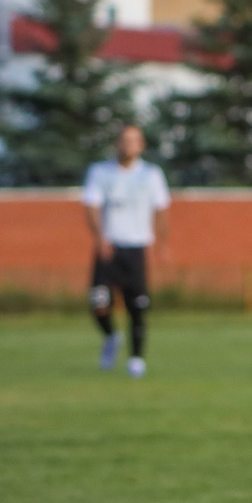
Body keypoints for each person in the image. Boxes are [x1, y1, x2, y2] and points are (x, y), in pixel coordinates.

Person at [84, 122, 169, 378]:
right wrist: (99, 238)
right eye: (125, 140)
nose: (129, 145)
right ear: (117, 143)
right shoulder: (100, 172)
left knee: (137, 306)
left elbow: (161, 208)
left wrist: (162, 243)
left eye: (134, 140)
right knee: (99, 302)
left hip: (136, 247)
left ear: (141, 145)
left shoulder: (151, 175)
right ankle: (111, 336)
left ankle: (136, 359)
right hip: (109, 246)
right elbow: (91, 206)